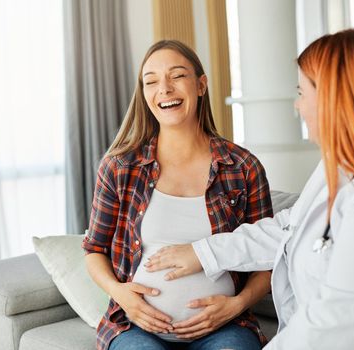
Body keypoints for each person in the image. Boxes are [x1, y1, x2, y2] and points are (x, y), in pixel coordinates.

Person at [145, 29, 354, 349]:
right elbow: (290, 227)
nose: (297, 106)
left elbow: (331, 328)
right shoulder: (340, 168)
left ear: (335, 100)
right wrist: (203, 252)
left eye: (302, 93)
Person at [82, 39, 274, 350]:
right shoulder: (119, 167)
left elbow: (267, 256)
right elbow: (94, 250)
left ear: (201, 85)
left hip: (224, 327)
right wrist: (122, 296)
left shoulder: (243, 167)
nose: (165, 88)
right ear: (144, 94)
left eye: (177, 76)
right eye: (152, 81)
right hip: (136, 328)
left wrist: (236, 305)